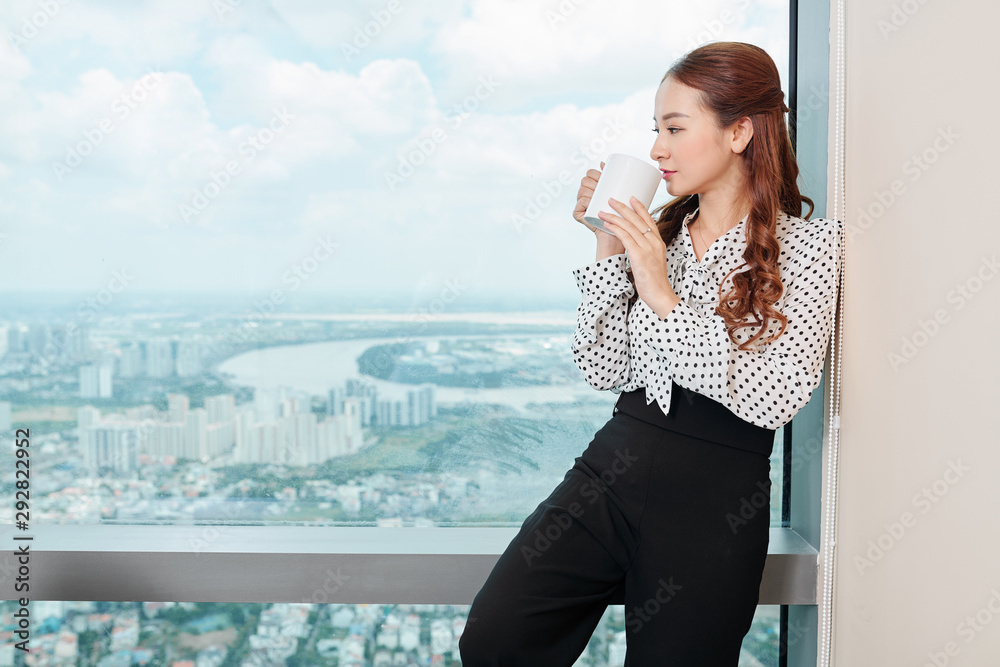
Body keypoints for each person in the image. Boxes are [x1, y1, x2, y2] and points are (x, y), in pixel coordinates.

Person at [459, 41, 844, 666]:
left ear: (740, 131)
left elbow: (777, 398)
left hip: (715, 500)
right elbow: (602, 367)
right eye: (655, 130)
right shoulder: (655, 234)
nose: (657, 149)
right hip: (613, 467)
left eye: (675, 128)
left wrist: (661, 293)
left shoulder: (809, 247)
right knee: (497, 639)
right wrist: (611, 245)